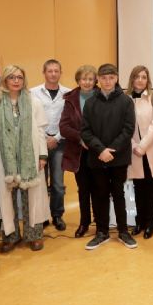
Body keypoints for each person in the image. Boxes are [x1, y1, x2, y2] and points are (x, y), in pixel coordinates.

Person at [0, 65, 50, 252]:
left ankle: (34, 235)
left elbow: (40, 130)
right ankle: (10, 235)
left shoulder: (33, 102)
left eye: (19, 77)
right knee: (7, 197)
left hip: (30, 157)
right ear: (4, 80)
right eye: (12, 77)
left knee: (32, 196)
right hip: (3, 159)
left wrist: (42, 155)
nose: (16, 81)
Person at [81, 64, 136, 250]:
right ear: (98, 79)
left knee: (118, 194)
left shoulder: (126, 101)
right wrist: (101, 150)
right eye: (103, 78)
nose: (107, 81)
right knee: (100, 194)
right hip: (97, 157)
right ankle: (102, 232)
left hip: (118, 157)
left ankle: (123, 231)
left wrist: (111, 150)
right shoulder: (90, 103)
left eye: (111, 77)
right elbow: (85, 131)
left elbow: (128, 129)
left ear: (116, 78)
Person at [31, 59, 70, 231]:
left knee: (58, 184)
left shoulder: (68, 93)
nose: (53, 74)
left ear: (61, 73)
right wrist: (45, 138)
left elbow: (70, 119)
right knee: (40, 182)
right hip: (39, 142)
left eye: (56, 71)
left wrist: (57, 137)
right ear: (44, 72)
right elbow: (31, 118)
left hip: (60, 143)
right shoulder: (33, 93)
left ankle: (57, 215)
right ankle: (42, 215)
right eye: (50, 71)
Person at [59, 65, 98, 238]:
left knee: (99, 188)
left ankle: (100, 221)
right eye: (83, 79)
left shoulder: (103, 96)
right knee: (83, 189)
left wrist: (95, 141)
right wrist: (81, 138)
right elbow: (64, 127)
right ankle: (84, 222)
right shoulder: (70, 99)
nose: (87, 82)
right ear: (78, 80)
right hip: (79, 151)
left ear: (95, 81)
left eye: (90, 79)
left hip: (98, 150)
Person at [128, 65, 153, 239]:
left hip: (149, 151)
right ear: (132, 79)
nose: (140, 80)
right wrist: (134, 146)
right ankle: (139, 222)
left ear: (147, 80)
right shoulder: (126, 99)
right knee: (138, 188)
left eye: (143, 77)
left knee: (150, 189)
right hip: (133, 151)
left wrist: (142, 146)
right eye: (137, 76)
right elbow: (123, 126)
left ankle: (150, 223)